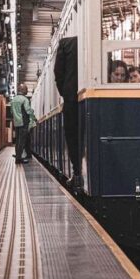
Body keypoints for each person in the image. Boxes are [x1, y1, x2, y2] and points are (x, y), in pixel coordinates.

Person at [54, 36, 82, 188]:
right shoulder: (100, 37)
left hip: (71, 99)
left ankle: (77, 173)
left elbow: (58, 74)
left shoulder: (66, 43)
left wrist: (66, 93)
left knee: (72, 136)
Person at [10, 83, 36, 164]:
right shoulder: (24, 99)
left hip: (17, 123)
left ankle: (18, 156)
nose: (27, 90)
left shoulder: (13, 100)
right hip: (23, 122)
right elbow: (28, 110)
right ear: (22, 90)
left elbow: (11, 111)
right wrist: (33, 116)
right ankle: (18, 159)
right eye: (26, 89)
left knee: (18, 141)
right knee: (22, 141)